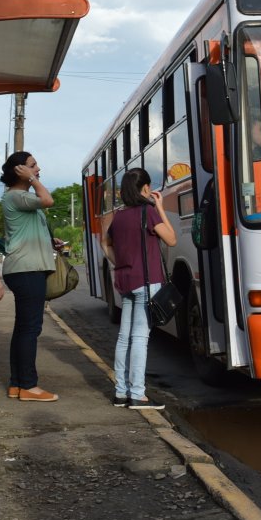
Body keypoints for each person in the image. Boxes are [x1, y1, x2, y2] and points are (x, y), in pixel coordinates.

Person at [101, 168, 176, 410]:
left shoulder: (119, 216)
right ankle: (138, 395)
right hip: (146, 282)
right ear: (145, 189)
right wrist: (160, 207)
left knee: (124, 338)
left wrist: (120, 263)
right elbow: (171, 239)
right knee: (140, 339)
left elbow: (106, 243)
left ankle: (121, 392)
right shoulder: (149, 212)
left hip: (125, 282)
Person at [0, 151, 61, 402]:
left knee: (24, 328)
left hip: (25, 267)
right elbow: (48, 200)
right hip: (27, 270)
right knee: (30, 329)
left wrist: (49, 241)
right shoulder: (16, 196)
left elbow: (27, 230)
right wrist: (34, 181)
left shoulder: (20, 198)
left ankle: (17, 384)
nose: (38, 169)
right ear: (19, 171)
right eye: (32, 166)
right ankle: (28, 386)